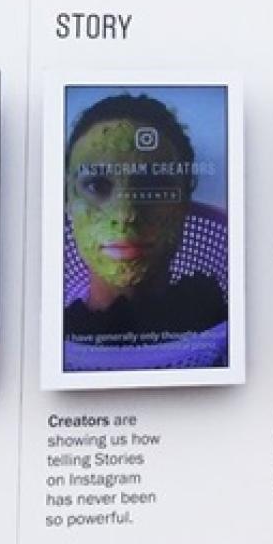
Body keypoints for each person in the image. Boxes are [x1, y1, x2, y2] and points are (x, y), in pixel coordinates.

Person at [62, 93, 226, 364]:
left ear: (185, 199)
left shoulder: (219, 315)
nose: (126, 215)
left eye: (155, 186)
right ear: (67, 200)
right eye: (97, 185)